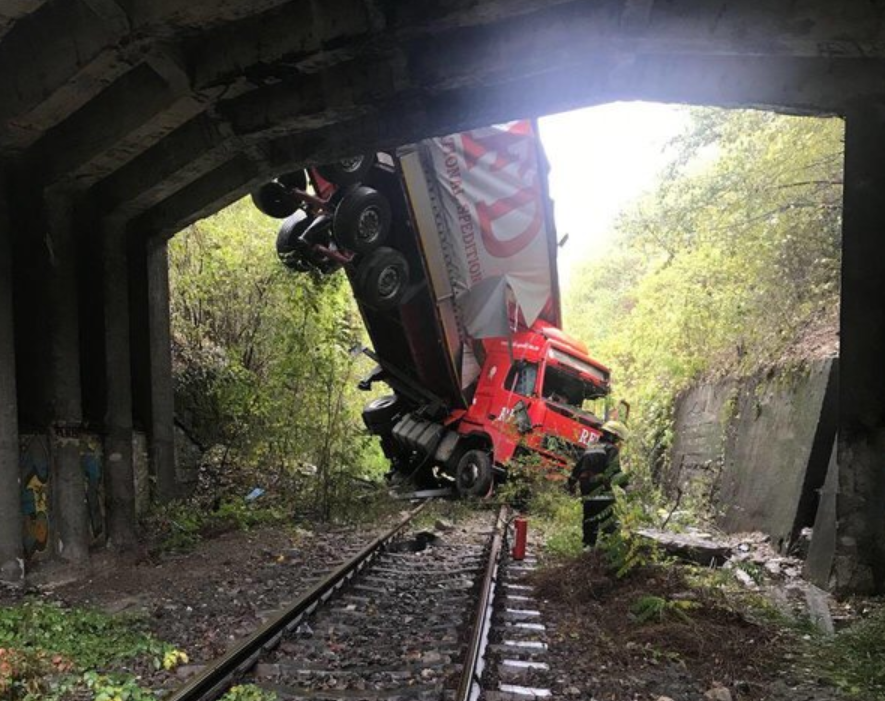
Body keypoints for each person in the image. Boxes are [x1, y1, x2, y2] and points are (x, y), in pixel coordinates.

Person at [568, 420, 629, 547]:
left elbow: (577, 468)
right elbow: (614, 470)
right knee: (607, 518)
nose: (617, 441)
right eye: (617, 438)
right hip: (600, 487)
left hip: (586, 488)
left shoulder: (591, 447)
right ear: (613, 436)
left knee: (589, 517)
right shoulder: (611, 449)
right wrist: (626, 486)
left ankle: (588, 546)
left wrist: (571, 483)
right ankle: (610, 549)